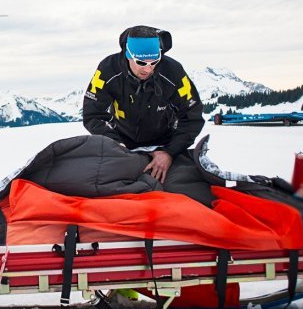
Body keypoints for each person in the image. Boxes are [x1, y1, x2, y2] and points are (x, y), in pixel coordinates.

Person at [82, 25, 209, 201]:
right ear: (128, 55)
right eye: (141, 63)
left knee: (175, 191)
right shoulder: (108, 69)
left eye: (154, 62)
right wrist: (116, 144)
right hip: (122, 142)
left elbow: (192, 116)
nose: (148, 69)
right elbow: (93, 114)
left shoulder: (173, 72)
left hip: (164, 143)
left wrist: (170, 152)